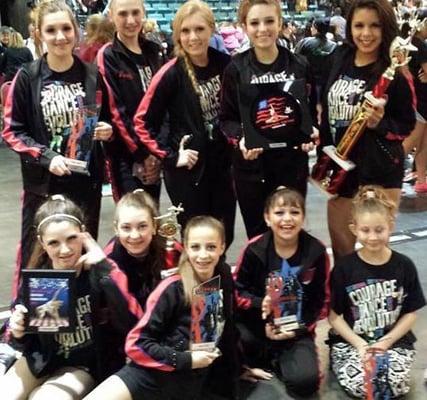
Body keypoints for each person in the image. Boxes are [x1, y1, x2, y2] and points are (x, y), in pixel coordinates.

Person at [1, 0, 113, 298]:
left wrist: (106, 130)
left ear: (76, 31)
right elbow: (12, 130)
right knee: (36, 255)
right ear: (39, 33)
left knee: (79, 253)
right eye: (52, 30)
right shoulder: (27, 77)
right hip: (43, 186)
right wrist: (46, 158)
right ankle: (31, 326)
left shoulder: (92, 74)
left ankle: (79, 321)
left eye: (66, 28)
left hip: (84, 184)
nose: (61, 36)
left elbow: (107, 120)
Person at [84, 216, 238, 400]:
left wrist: (241, 367)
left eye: (211, 247)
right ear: (186, 248)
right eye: (195, 247)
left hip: (187, 384)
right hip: (148, 375)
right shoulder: (172, 287)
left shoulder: (223, 278)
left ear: (222, 247)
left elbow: (227, 328)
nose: (203, 255)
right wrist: (186, 360)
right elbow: (136, 344)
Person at [0, 196, 136, 399]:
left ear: (83, 232)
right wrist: (19, 330)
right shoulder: (39, 277)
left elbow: (129, 323)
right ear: (42, 243)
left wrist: (105, 271)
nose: (65, 249)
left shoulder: (100, 273)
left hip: (84, 363)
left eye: (72, 238)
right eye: (54, 243)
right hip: (42, 358)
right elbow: (23, 341)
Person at [133, 0, 236, 248]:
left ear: (211, 29)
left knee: (223, 236)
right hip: (189, 175)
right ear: (177, 34)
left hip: (223, 167)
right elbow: (142, 123)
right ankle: (195, 288)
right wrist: (169, 156)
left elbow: (238, 113)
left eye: (199, 29)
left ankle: (216, 287)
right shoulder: (170, 73)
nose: (193, 37)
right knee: (197, 239)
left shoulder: (226, 64)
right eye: (186, 31)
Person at [318, 0, 416, 258]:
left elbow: (406, 124)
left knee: (377, 254)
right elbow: (325, 108)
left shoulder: (394, 70)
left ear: (386, 29)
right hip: (341, 169)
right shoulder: (339, 57)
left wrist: (380, 124)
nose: (366, 33)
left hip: (380, 171)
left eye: (375, 26)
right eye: (359, 25)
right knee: (342, 254)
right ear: (349, 28)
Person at [219, 0, 317, 239]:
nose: (262, 28)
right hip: (252, 169)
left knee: (289, 233)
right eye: (255, 22)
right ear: (244, 26)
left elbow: (311, 114)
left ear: (280, 23)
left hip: (291, 164)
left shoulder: (300, 64)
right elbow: (226, 119)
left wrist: (310, 133)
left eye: (269, 21)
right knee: (259, 238)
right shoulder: (235, 69)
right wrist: (241, 139)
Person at [329, 185, 426, 398]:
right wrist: (360, 344)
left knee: (393, 383)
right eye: (365, 230)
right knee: (363, 384)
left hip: (392, 341)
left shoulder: (404, 265)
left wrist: (387, 341)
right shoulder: (344, 268)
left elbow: (411, 313)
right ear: (354, 229)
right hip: (354, 343)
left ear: (390, 226)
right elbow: (334, 317)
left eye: (379, 230)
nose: (372, 237)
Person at [234, 187, 330, 397]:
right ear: (267, 218)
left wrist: (297, 328)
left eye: (294, 212)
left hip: (295, 330)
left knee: (305, 384)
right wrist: (262, 304)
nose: (287, 219)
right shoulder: (254, 249)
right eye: (279, 213)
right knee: (232, 343)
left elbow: (321, 302)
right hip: (256, 325)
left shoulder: (316, 251)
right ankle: (264, 355)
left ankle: (276, 358)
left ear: (303, 218)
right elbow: (237, 292)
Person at [97, 0, 165, 202]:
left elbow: (164, 104)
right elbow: (117, 112)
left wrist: (157, 152)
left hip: (155, 151)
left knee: (153, 218)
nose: (131, 20)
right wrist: (143, 154)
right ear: (111, 17)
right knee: (132, 219)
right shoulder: (108, 56)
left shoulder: (154, 51)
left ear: (143, 13)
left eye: (136, 12)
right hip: (126, 156)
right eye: (123, 14)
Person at [105, 189, 182, 317]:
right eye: (126, 227)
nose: (135, 235)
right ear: (116, 229)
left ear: (154, 226)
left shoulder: (173, 250)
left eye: (142, 226)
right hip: (130, 328)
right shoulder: (108, 261)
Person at [402, 10, 427, 193]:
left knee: (423, 140)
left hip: (418, 98)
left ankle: (421, 178)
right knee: (413, 140)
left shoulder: (411, 42)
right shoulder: (420, 45)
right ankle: (388, 175)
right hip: (421, 100)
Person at [295, 18, 337, 109]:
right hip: (327, 83)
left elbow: (296, 60)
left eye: (313, 27)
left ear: (316, 28)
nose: (311, 29)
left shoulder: (304, 43)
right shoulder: (334, 46)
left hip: (308, 83)